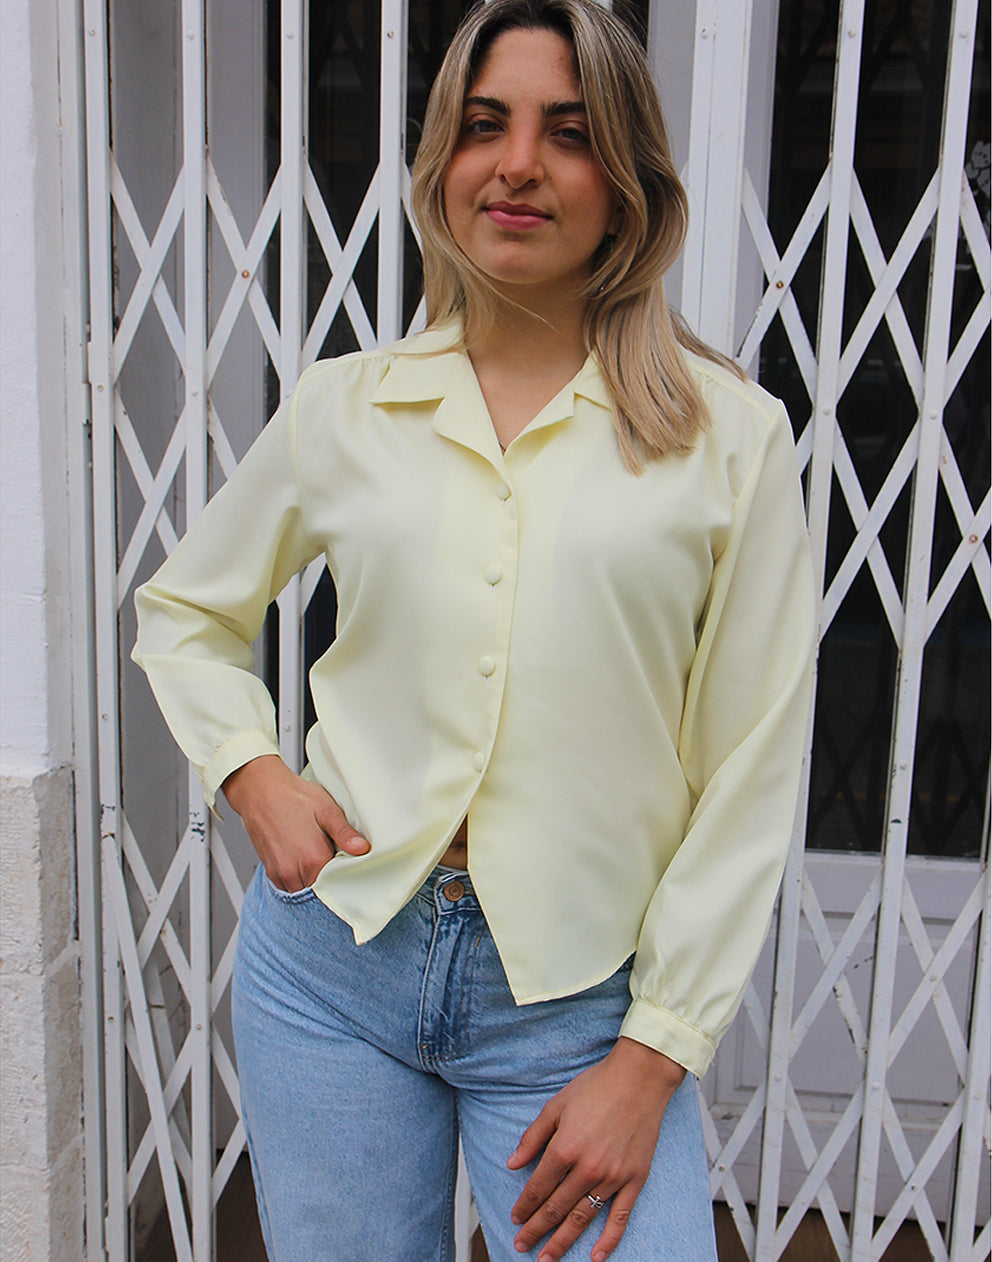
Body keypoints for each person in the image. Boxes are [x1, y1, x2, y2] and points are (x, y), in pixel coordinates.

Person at [132, 1, 816, 1258]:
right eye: (484, 126)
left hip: (574, 1009)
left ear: (625, 181)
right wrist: (255, 770)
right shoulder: (349, 406)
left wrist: (653, 1055)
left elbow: (751, 768)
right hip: (331, 970)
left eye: (568, 133)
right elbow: (185, 611)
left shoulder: (729, 439)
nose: (517, 165)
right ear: (439, 159)